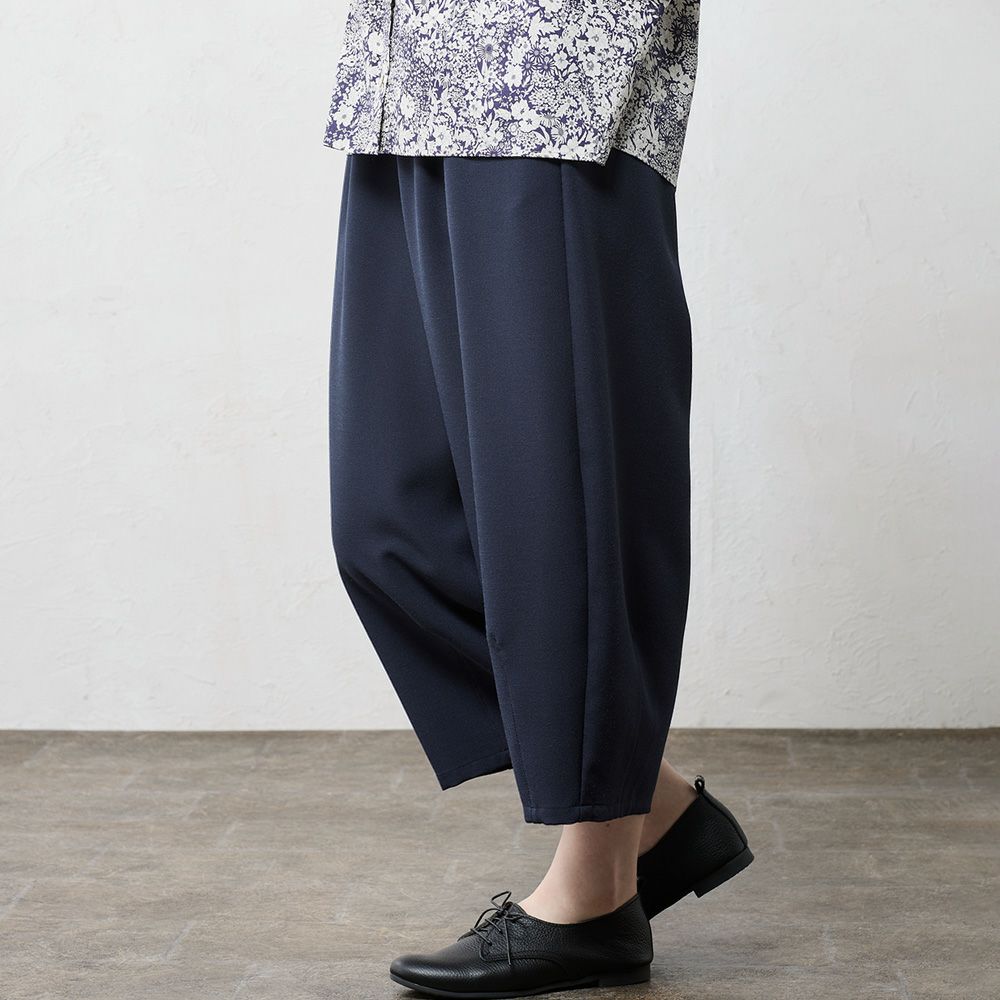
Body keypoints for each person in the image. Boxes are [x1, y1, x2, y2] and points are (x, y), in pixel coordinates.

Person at [323, 1, 753, 995]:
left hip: (557, 77)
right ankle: (647, 804)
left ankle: (596, 895)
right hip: (404, 76)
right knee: (389, 527)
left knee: (563, 511)